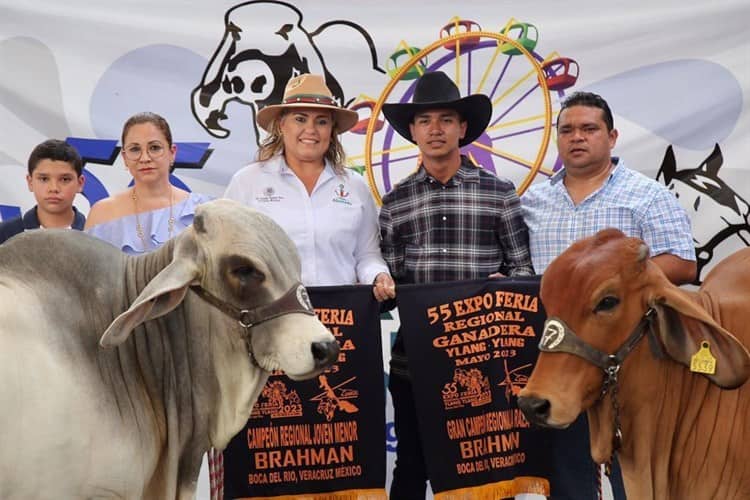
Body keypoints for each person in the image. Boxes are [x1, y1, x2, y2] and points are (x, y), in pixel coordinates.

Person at [521, 91, 696, 499]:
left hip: (628, 362)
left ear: (612, 137)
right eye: (567, 130)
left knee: (631, 472)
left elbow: (684, 264)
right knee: (566, 468)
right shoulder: (532, 202)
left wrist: (610, 291)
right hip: (560, 359)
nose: (576, 137)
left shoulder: (646, 195)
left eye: (588, 129)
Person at [378, 71, 534, 499]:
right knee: (411, 462)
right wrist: (379, 285)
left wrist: (509, 288)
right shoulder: (396, 202)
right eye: (425, 120)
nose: (435, 129)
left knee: (485, 465)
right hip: (414, 359)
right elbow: (388, 280)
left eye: (446, 119)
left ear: (462, 128)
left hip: (484, 360)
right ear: (412, 131)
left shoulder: (499, 193)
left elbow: (525, 273)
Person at [224, 73, 395, 300]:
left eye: (321, 121)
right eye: (300, 119)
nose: (311, 130)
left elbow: (367, 255)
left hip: (342, 318)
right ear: (281, 124)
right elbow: (225, 253)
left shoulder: (355, 186)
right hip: (272, 320)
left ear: (332, 130)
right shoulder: (247, 182)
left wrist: (379, 276)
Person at [85, 112, 212, 253]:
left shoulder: (203, 210)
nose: (145, 158)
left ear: (172, 153)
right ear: (124, 157)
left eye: (154, 148)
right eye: (135, 149)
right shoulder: (102, 213)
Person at [0, 139, 86, 244]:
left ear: (80, 183)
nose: (54, 188)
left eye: (65, 179)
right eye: (44, 179)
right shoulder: (5, 234)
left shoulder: (95, 235)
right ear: (30, 182)